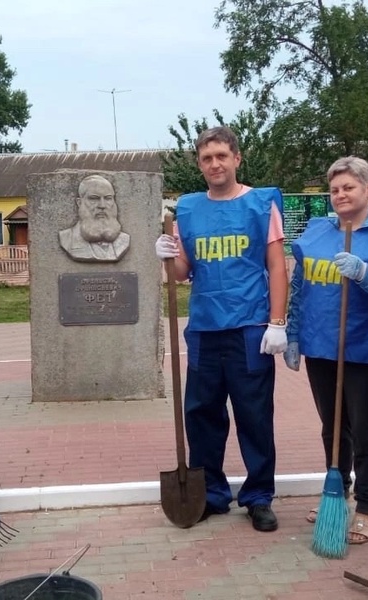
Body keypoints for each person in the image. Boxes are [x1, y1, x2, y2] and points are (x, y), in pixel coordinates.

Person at [154, 126, 288, 532]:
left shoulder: (261, 204)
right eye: (206, 158)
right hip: (206, 329)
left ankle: (258, 496)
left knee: (254, 416)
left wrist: (278, 323)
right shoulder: (188, 210)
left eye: (221, 156)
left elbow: (277, 266)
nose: (214, 164)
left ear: (236, 159)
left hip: (250, 327)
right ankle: (211, 492)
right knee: (202, 415)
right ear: (199, 164)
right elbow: (181, 273)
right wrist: (166, 254)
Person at [283, 157, 368, 544]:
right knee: (332, 428)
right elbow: (299, 288)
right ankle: (336, 491)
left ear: (367, 189)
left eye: (348, 187)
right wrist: (292, 333)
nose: (341, 195)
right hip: (321, 347)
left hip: (363, 349)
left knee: (366, 431)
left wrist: (367, 275)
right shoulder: (316, 232)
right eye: (334, 190)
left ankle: (366, 506)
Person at [58, 174, 131, 262]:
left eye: (108, 198)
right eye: (94, 199)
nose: (102, 205)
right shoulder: (67, 239)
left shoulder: (124, 240)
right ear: (79, 202)